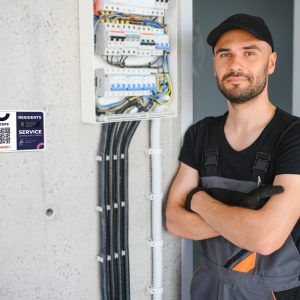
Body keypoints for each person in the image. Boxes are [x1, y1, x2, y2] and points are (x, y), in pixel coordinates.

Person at [166, 13, 300, 300]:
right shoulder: (200, 134)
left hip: (269, 292)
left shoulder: (293, 136)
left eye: (249, 52)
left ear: (271, 62)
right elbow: (174, 220)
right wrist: (244, 219)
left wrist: (198, 200)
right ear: (215, 66)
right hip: (206, 288)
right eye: (224, 54)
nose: (235, 64)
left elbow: (266, 238)